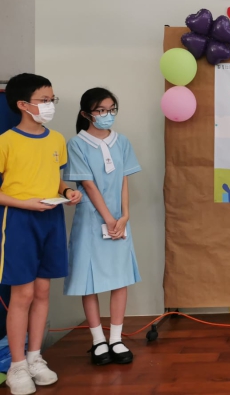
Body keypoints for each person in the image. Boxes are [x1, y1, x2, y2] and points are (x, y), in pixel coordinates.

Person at [0, 73, 81, 395]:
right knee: (22, 295)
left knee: (43, 291)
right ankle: (17, 365)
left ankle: (35, 358)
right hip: (19, 221)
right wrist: (25, 203)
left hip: (51, 218)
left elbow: (55, 178)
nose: (49, 106)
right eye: (44, 100)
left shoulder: (56, 139)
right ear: (23, 104)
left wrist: (68, 191)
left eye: (51, 100)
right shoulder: (6, 141)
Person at [63, 88, 142, 366]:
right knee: (90, 280)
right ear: (86, 114)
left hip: (119, 220)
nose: (107, 115)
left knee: (120, 279)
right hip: (90, 220)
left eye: (111, 109)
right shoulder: (76, 144)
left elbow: (124, 180)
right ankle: (98, 340)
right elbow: (88, 184)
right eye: (101, 110)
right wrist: (108, 218)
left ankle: (116, 338)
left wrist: (125, 216)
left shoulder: (123, 142)